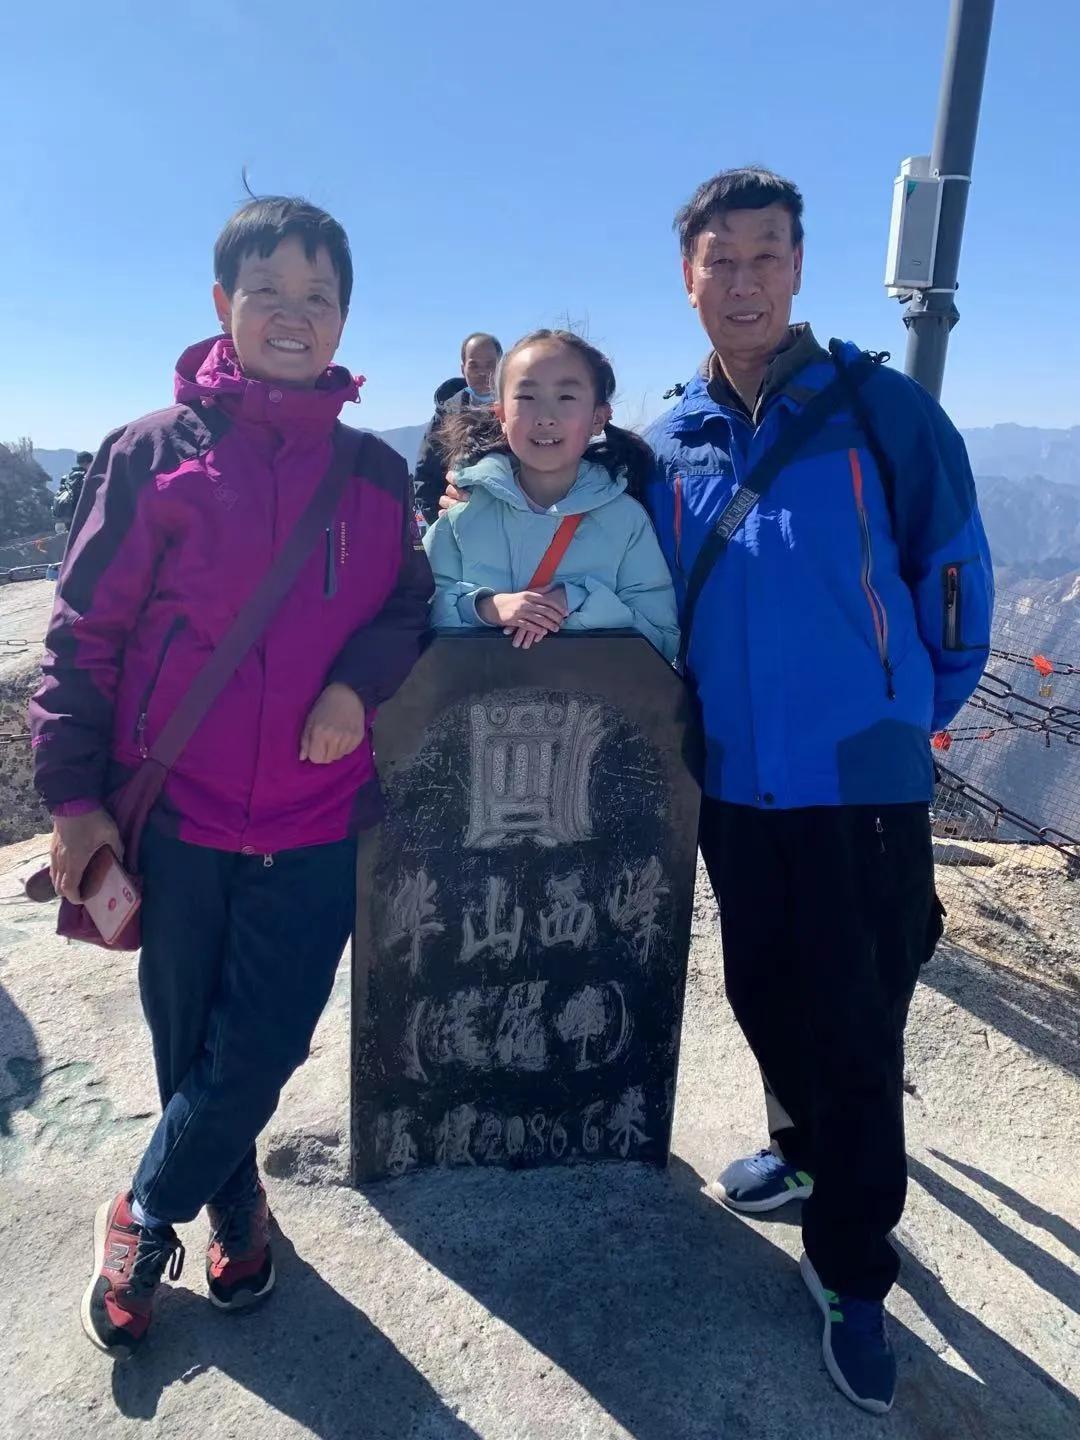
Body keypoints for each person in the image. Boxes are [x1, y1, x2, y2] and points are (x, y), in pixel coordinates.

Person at [30, 195, 432, 1358]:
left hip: (314, 817)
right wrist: (72, 796)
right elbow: (83, 634)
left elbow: (406, 608)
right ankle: (236, 1199)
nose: (293, 316)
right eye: (268, 293)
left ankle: (144, 1209)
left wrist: (355, 687)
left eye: (319, 296)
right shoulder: (150, 454)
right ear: (222, 305)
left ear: (345, 316)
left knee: (262, 1044)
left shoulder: (372, 473)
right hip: (179, 813)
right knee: (189, 1035)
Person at [642, 167, 993, 1414]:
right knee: (761, 986)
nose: (742, 281)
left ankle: (851, 1269)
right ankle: (800, 1157)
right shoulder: (671, 440)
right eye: (719, 260)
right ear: (688, 277)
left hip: (861, 784)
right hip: (736, 780)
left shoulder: (883, 411)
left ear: (798, 267)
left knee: (856, 1026)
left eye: (765, 256)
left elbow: (953, 580)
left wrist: (902, 718)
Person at [424, 329, 678, 660]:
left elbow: (661, 639)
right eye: (527, 398)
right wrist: (484, 607)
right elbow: (417, 616)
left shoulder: (625, 520)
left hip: (590, 695)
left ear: (598, 418)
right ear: (501, 416)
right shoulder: (463, 514)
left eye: (566, 397)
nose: (545, 418)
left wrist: (577, 600)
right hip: (481, 695)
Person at [413, 332, 502, 523]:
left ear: (502, 367)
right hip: (459, 521)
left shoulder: (521, 409)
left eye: (490, 365)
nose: (483, 372)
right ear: (463, 369)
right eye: (474, 365)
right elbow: (426, 477)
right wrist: (441, 522)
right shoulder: (446, 414)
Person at [51, 450, 93, 529]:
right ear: (88, 462)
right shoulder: (87, 477)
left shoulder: (68, 477)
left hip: (68, 517)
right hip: (82, 517)